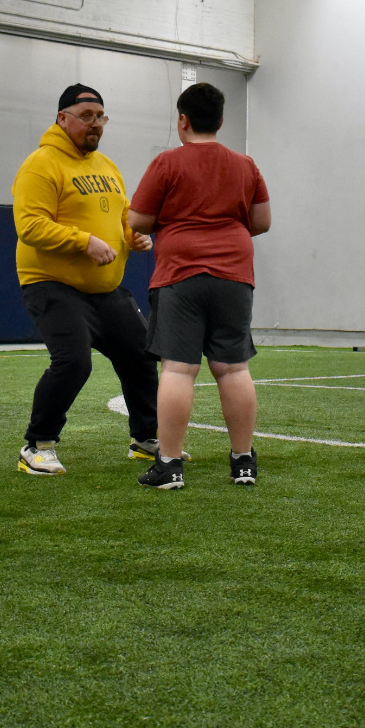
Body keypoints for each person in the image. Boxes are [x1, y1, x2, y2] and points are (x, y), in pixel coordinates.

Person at [11, 84, 167, 475]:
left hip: (105, 289)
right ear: (62, 118)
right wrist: (84, 242)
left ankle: (145, 439)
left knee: (141, 355)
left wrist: (133, 236)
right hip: (52, 283)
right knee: (73, 362)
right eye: (86, 117)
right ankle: (37, 446)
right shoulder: (41, 164)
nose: (95, 124)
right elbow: (29, 225)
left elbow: (122, 214)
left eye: (100, 117)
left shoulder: (107, 166)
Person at [127, 83, 270, 490]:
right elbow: (261, 221)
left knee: (178, 368)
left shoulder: (167, 163)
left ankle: (169, 465)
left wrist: (173, 220)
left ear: (182, 121)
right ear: (220, 121)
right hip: (234, 274)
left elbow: (137, 220)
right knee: (233, 368)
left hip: (180, 273)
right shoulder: (246, 165)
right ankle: (243, 462)